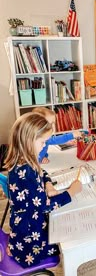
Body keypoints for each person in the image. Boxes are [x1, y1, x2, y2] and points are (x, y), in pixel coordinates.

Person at [4, 112, 82, 268]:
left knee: (53, 238)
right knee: (58, 247)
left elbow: (42, 172)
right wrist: (71, 193)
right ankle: (17, 250)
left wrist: (48, 184)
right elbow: (44, 206)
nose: (44, 146)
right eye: (42, 142)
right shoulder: (24, 171)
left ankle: (15, 246)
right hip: (30, 229)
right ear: (28, 140)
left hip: (25, 221)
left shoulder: (25, 159)